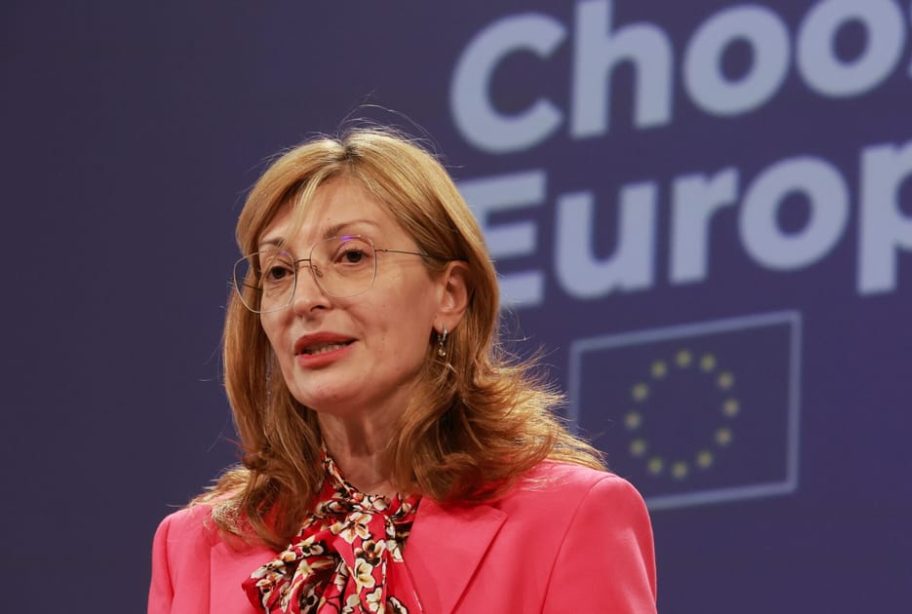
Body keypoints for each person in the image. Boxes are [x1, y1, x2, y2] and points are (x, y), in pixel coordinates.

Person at [148, 126, 657, 613]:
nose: (303, 300)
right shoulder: (192, 548)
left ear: (449, 295)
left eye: (351, 257)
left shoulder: (568, 519)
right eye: (279, 272)